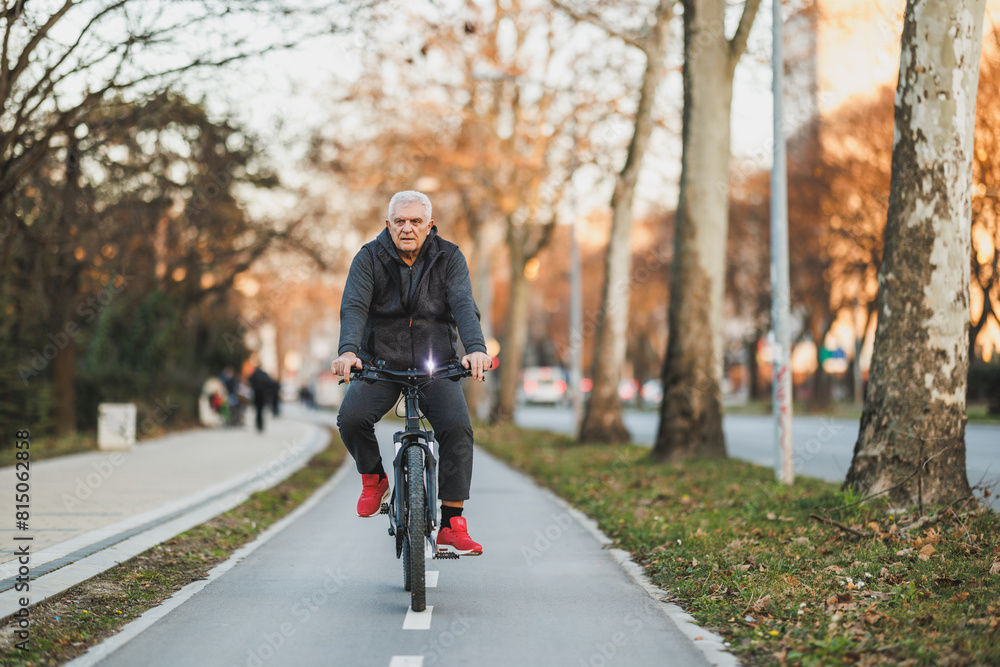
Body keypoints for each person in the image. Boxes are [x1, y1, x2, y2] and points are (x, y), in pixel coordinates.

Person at [331, 190, 491, 556]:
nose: (407, 228)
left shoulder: (449, 257)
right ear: (388, 225)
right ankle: (374, 478)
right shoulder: (368, 258)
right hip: (381, 362)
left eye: (415, 221)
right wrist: (349, 352)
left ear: (429, 225)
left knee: (457, 428)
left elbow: (465, 305)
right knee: (351, 418)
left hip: (437, 364)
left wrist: (477, 349)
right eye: (399, 221)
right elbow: (353, 306)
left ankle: (452, 524)